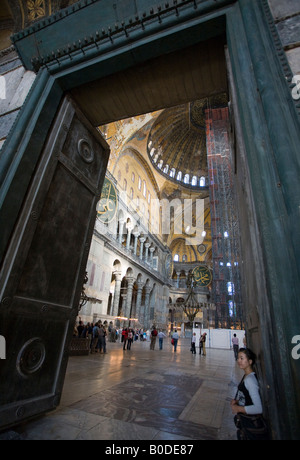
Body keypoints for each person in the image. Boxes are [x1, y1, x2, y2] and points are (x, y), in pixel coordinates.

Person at [231, 348, 268, 440]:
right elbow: (246, 395)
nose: (239, 361)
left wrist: (238, 408)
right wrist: (238, 401)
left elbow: (258, 408)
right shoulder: (246, 376)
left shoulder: (250, 380)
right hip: (245, 421)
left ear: (250, 361)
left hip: (251, 423)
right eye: (238, 358)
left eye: (242, 358)